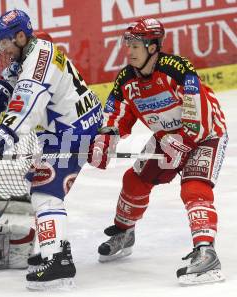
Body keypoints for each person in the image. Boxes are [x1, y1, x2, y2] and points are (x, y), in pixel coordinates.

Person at [88, 18, 227, 285]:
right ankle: (124, 233)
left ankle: (206, 252)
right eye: (127, 44)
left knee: (194, 187)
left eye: (136, 45)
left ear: (153, 48)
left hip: (206, 135)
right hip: (166, 138)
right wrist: (106, 139)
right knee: (134, 180)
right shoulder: (126, 79)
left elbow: (198, 111)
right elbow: (116, 115)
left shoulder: (177, 69)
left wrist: (185, 140)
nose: (129, 51)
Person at [0, 9, 103, 290]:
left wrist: (2, 135)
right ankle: (57, 248)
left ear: (21, 36)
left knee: (45, 192)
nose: (3, 49)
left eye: (6, 42)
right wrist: (0, 87)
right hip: (71, 125)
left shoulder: (38, 63)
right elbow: (17, 74)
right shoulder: (37, 48)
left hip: (71, 132)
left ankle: (57, 261)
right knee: (42, 186)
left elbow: (27, 106)